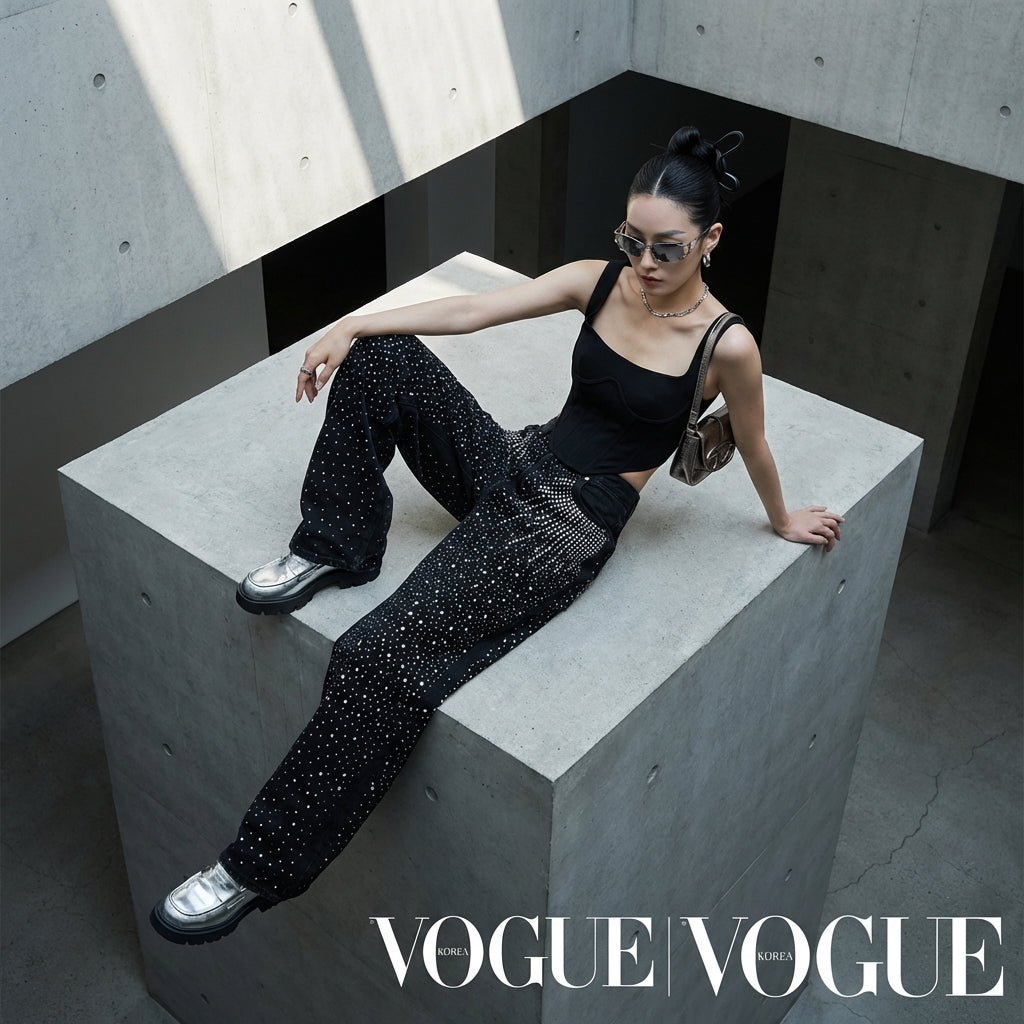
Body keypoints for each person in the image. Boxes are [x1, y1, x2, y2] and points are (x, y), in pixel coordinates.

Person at [150, 126, 843, 944]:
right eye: (633, 241)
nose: (646, 263)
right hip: (520, 459)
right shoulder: (600, 282)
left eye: (668, 248)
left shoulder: (729, 346)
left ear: (711, 239)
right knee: (382, 359)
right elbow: (473, 309)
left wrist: (782, 517)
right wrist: (355, 324)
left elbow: (752, 441)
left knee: (376, 658)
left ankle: (252, 868)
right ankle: (335, 547)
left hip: (566, 522)